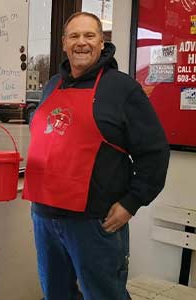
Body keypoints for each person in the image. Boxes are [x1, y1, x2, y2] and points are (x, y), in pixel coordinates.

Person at [23, 12, 170, 300]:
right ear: (64, 43)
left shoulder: (122, 89)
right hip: (45, 217)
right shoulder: (53, 84)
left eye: (89, 35)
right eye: (74, 36)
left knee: (104, 295)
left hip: (93, 223)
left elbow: (154, 152)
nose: (81, 42)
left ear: (102, 42)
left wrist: (131, 202)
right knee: (55, 295)